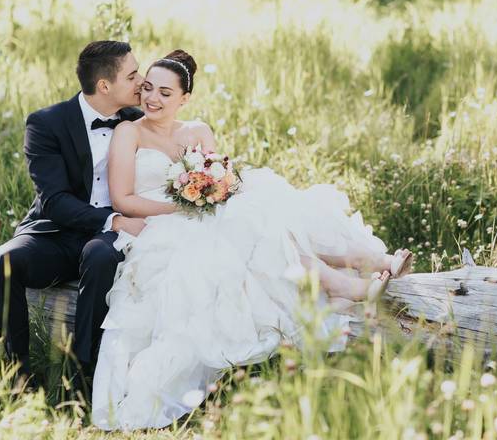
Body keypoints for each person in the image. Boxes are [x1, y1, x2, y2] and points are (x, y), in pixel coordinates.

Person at [91, 49, 413, 431]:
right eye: (147, 89)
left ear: (184, 98)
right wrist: (184, 210)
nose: (152, 99)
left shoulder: (197, 130)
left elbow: (223, 180)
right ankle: (350, 285)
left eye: (164, 92)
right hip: (160, 222)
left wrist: (211, 194)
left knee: (268, 214)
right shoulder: (130, 132)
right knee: (248, 233)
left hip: (206, 211)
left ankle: (375, 265)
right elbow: (123, 198)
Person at [0, 40, 148, 392]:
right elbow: (55, 201)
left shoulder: (139, 122)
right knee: (2, 263)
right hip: (56, 231)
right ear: (105, 85)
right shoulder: (46, 123)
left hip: (107, 239)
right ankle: (18, 377)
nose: (142, 81)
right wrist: (112, 220)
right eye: (133, 75)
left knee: (100, 254)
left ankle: (82, 377)